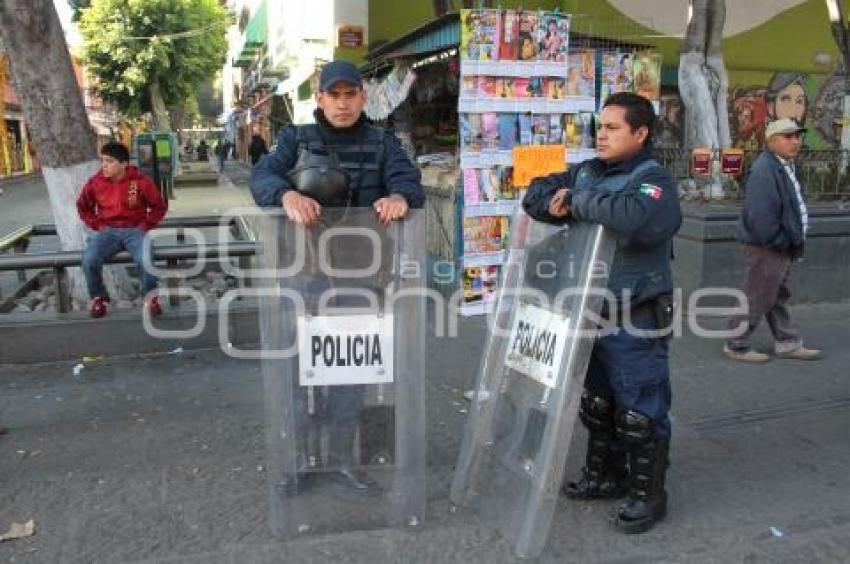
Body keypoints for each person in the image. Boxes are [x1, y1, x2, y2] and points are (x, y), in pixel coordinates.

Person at [250, 60, 424, 489]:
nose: (343, 104)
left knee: (348, 369)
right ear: (321, 98)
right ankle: (301, 461)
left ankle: (344, 458)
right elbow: (262, 177)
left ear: (363, 98)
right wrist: (286, 193)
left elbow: (409, 181)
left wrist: (399, 196)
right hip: (302, 271)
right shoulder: (295, 138)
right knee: (296, 370)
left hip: (357, 275)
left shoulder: (384, 144)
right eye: (334, 95)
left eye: (351, 95)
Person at [522, 92, 682, 534]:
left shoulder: (655, 181)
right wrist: (556, 198)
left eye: (613, 128)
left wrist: (575, 200)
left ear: (641, 132)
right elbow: (535, 194)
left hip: (636, 314)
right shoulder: (588, 171)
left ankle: (649, 496)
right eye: (601, 126)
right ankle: (605, 476)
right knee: (598, 404)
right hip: (588, 310)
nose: (602, 135)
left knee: (639, 411)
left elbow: (630, 216)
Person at [723, 119, 821, 363]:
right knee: (758, 295)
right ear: (771, 140)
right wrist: (779, 241)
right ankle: (736, 344)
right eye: (788, 137)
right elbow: (761, 216)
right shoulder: (765, 169)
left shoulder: (782, 165)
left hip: (781, 244)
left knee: (776, 295)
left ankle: (787, 342)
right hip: (769, 246)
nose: (795, 141)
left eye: (798, 136)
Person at [77, 141, 168, 318]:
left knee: (145, 259)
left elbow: (159, 206)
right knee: (89, 259)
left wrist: (145, 225)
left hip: (135, 231)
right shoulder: (95, 182)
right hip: (108, 231)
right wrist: (97, 225)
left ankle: (150, 297)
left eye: (109, 161)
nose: (104, 165)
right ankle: (98, 298)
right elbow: (83, 207)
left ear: (124, 164)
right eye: (102, 160)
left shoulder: (141, 181)